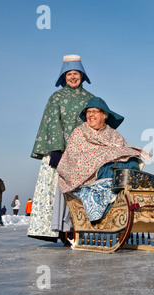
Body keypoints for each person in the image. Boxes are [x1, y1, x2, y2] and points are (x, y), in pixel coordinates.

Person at [28, 54, 94, 242]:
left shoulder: (90, 98)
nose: (73, 77)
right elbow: (53, 123)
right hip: (61, 152)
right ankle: (59, 229)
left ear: (82, 75)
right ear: (63, 77)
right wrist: (57, 149)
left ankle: (80, 227)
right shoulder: (56, 97)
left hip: (83, 154)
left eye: (76, 73)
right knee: (56, 191)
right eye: (69, 74)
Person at [56, 97, 151, 222]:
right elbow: (73, 158)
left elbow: (124, 152)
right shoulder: (79, 132)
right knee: (111, 167)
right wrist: (102, 156)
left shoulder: (114, 135)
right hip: (90, 176)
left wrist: (112, 155)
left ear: (104, 115)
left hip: (116, 171)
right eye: (88, 112)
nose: (90, 115)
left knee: (131, 159)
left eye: (94, 111)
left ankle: (130, 192)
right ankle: (113, 194)